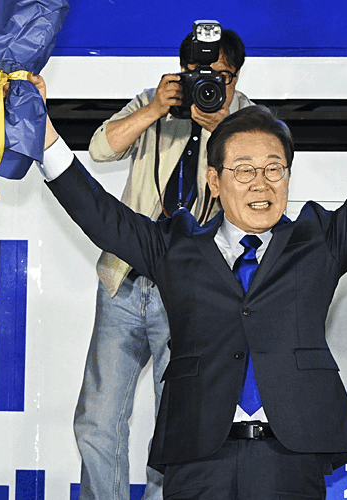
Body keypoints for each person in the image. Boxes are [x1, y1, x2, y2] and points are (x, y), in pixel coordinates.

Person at [29, 60, 347, 498]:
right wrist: (43, 135)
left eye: (274, 169)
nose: (261, 183)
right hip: (198, 459)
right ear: (214, 181)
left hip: (290, 458)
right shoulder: (176, 246)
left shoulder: (318, 241)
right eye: (244, 169)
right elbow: (99, 214)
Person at [74, 28, 253, 500]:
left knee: (174, 425)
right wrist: (155, 108)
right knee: (97, 419)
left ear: (236, 77)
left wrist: (221, 126)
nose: (207, 85)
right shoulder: (154, 102)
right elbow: (100, 148)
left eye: (219, 77)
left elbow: (258, 181)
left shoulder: (249, 122)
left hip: (190, 293)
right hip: (125, 281)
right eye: (197, 73)